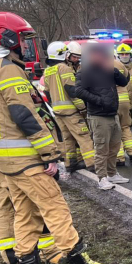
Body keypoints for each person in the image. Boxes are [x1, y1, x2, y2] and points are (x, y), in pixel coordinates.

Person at [0, 12, 118, 264]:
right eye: (23, 38)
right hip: (26, 159)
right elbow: (24, 115)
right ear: (8, 38)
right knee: (55, 208)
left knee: (26, 212)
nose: (26, 44)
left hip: (7, 162)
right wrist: (49, 155)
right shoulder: (8, 69)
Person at [73, 43, 130, 190]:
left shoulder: (108, 70)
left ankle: (112, 174)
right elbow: (78, 91)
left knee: (115, 147)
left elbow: (124, 82)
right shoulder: (85, 72)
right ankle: (102, 178)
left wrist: (115, 71)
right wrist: (99, 101)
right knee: (101, 148)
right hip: (98, 116)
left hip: (113, 114)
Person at [41, 40, 95, 173]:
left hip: (58, 111)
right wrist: (82, 107)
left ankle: (70, 163)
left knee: (67, 138)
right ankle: (92, 163)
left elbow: (46, 92)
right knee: (84, 137)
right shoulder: (64, 68)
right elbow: (72, 90)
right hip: (71, 110)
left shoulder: (48, 71)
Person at [113, 43, 132, 165]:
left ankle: (119, 157)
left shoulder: (103, 66)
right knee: (125, 127)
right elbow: (127, 80)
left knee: (116, 130)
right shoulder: (121, 65)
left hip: (114, 101)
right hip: (125, 101)